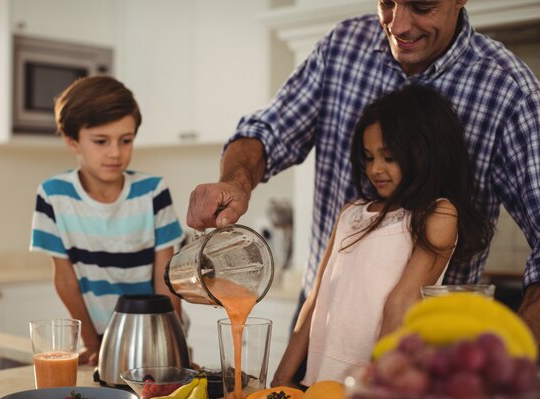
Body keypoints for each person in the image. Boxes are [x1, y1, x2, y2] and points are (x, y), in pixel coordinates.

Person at [186, 0, 540, 343]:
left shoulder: (509, 90)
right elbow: (268, 131)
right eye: (387, 2)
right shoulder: (342, 46)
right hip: (321, 317)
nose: (398, 25)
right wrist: (235, 180)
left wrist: (515, 356)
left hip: (429, 341)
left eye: (421, 5)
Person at [271, 84, 492, 385]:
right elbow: (317, 295)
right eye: (369, 157)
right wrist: (280, 379)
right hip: (318, 380)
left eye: (388, 157)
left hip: (376, 382)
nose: (375, 169)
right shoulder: (351, 211)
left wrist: (371, 391)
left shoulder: (437, 214)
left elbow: (400, 304)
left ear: (423, 152)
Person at [30, 76, 185, 365]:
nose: (115, 152)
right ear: (72, 141)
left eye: (126, 140)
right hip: (98, 335)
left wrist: (175, 350)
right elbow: (65, 279)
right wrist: (90, 342)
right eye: (101, 141)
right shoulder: (53, 196)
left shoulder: (153, 192)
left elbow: (167, 279)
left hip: (155, 333)